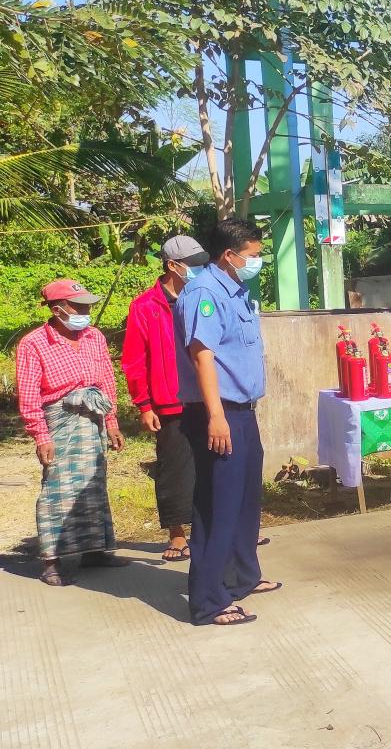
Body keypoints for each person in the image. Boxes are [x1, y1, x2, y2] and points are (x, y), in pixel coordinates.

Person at [174, 219, 275, 627]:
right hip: (218, 413)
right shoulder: (205, 293)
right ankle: (209, 600)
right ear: (229, 255)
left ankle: (240, 577)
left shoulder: (236, 290)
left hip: (242, 411)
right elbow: (203, 357)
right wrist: (216, 417)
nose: (257, 261)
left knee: (245, 499)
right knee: (217, 505)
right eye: (252, 255)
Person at [16, 279, 128, 587]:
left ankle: (95, 550)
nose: (86, 312)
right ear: (57, 310)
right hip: (60, 422)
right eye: (79, 307)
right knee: (58, 489)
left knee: (94, 485)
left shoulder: (94, 336)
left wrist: (111, 421)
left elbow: (106, 379)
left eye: (88, 306)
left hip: (93, 419)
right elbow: (29, 395)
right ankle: (51, 561)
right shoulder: (34, 343)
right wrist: (41, 435)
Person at [121, 235, 209, 561]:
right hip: (170, 401)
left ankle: (221, 529)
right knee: (174, 467)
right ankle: (177, 534)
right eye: (193, 264)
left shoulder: (204, 297)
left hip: (207, 397)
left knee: (215, 464)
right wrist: (144, 405)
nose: (200, 269)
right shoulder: (145, 306)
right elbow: (134, 359)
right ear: (172, 265)